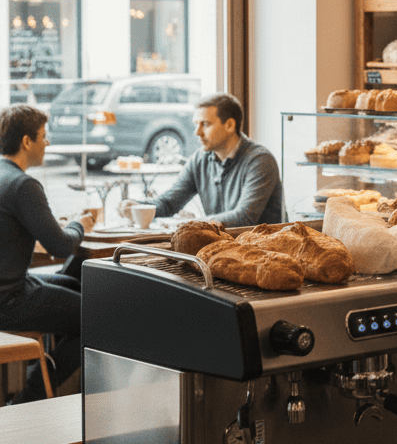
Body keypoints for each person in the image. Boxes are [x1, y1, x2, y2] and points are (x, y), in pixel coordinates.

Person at [0, 104, 94, 405]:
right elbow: (61, 246)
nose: (47, 142)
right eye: (43, 135)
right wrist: (82, 223)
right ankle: (30, 398)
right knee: (98, 317)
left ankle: (42, 378)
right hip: (9, 300)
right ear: (27, 142)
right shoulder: (23, 185)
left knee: (75, 285)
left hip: (13, 285)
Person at [117, 92, 283, 227]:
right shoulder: (200, 159)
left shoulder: (260, 161)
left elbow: (245, 217)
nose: (197, 132)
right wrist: (136, 206)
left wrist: (189, 224)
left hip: (261, 255)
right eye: (196, 124)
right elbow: (169, 203)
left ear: (230, 125)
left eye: (205, 124)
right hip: (224, 250)